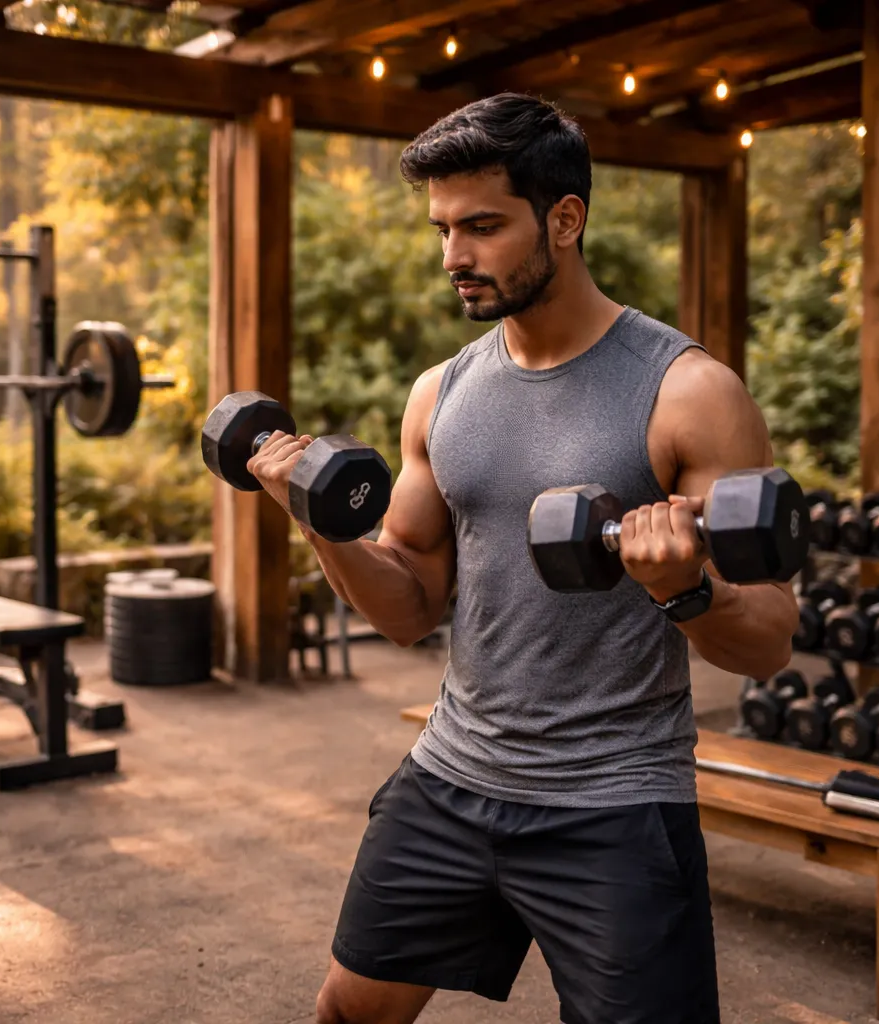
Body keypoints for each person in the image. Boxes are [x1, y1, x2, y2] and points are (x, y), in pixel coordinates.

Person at [247, 93, 798, 1024]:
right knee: (346, 1013)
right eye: (443, 229)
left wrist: (687, 590)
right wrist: (320, 523)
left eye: (483, 227)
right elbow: (411, 606)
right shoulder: (443, 395)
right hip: (454, 776)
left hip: (615, 802)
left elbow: (770, 640)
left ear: (566, 219)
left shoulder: (688, 393)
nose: (455, 257)